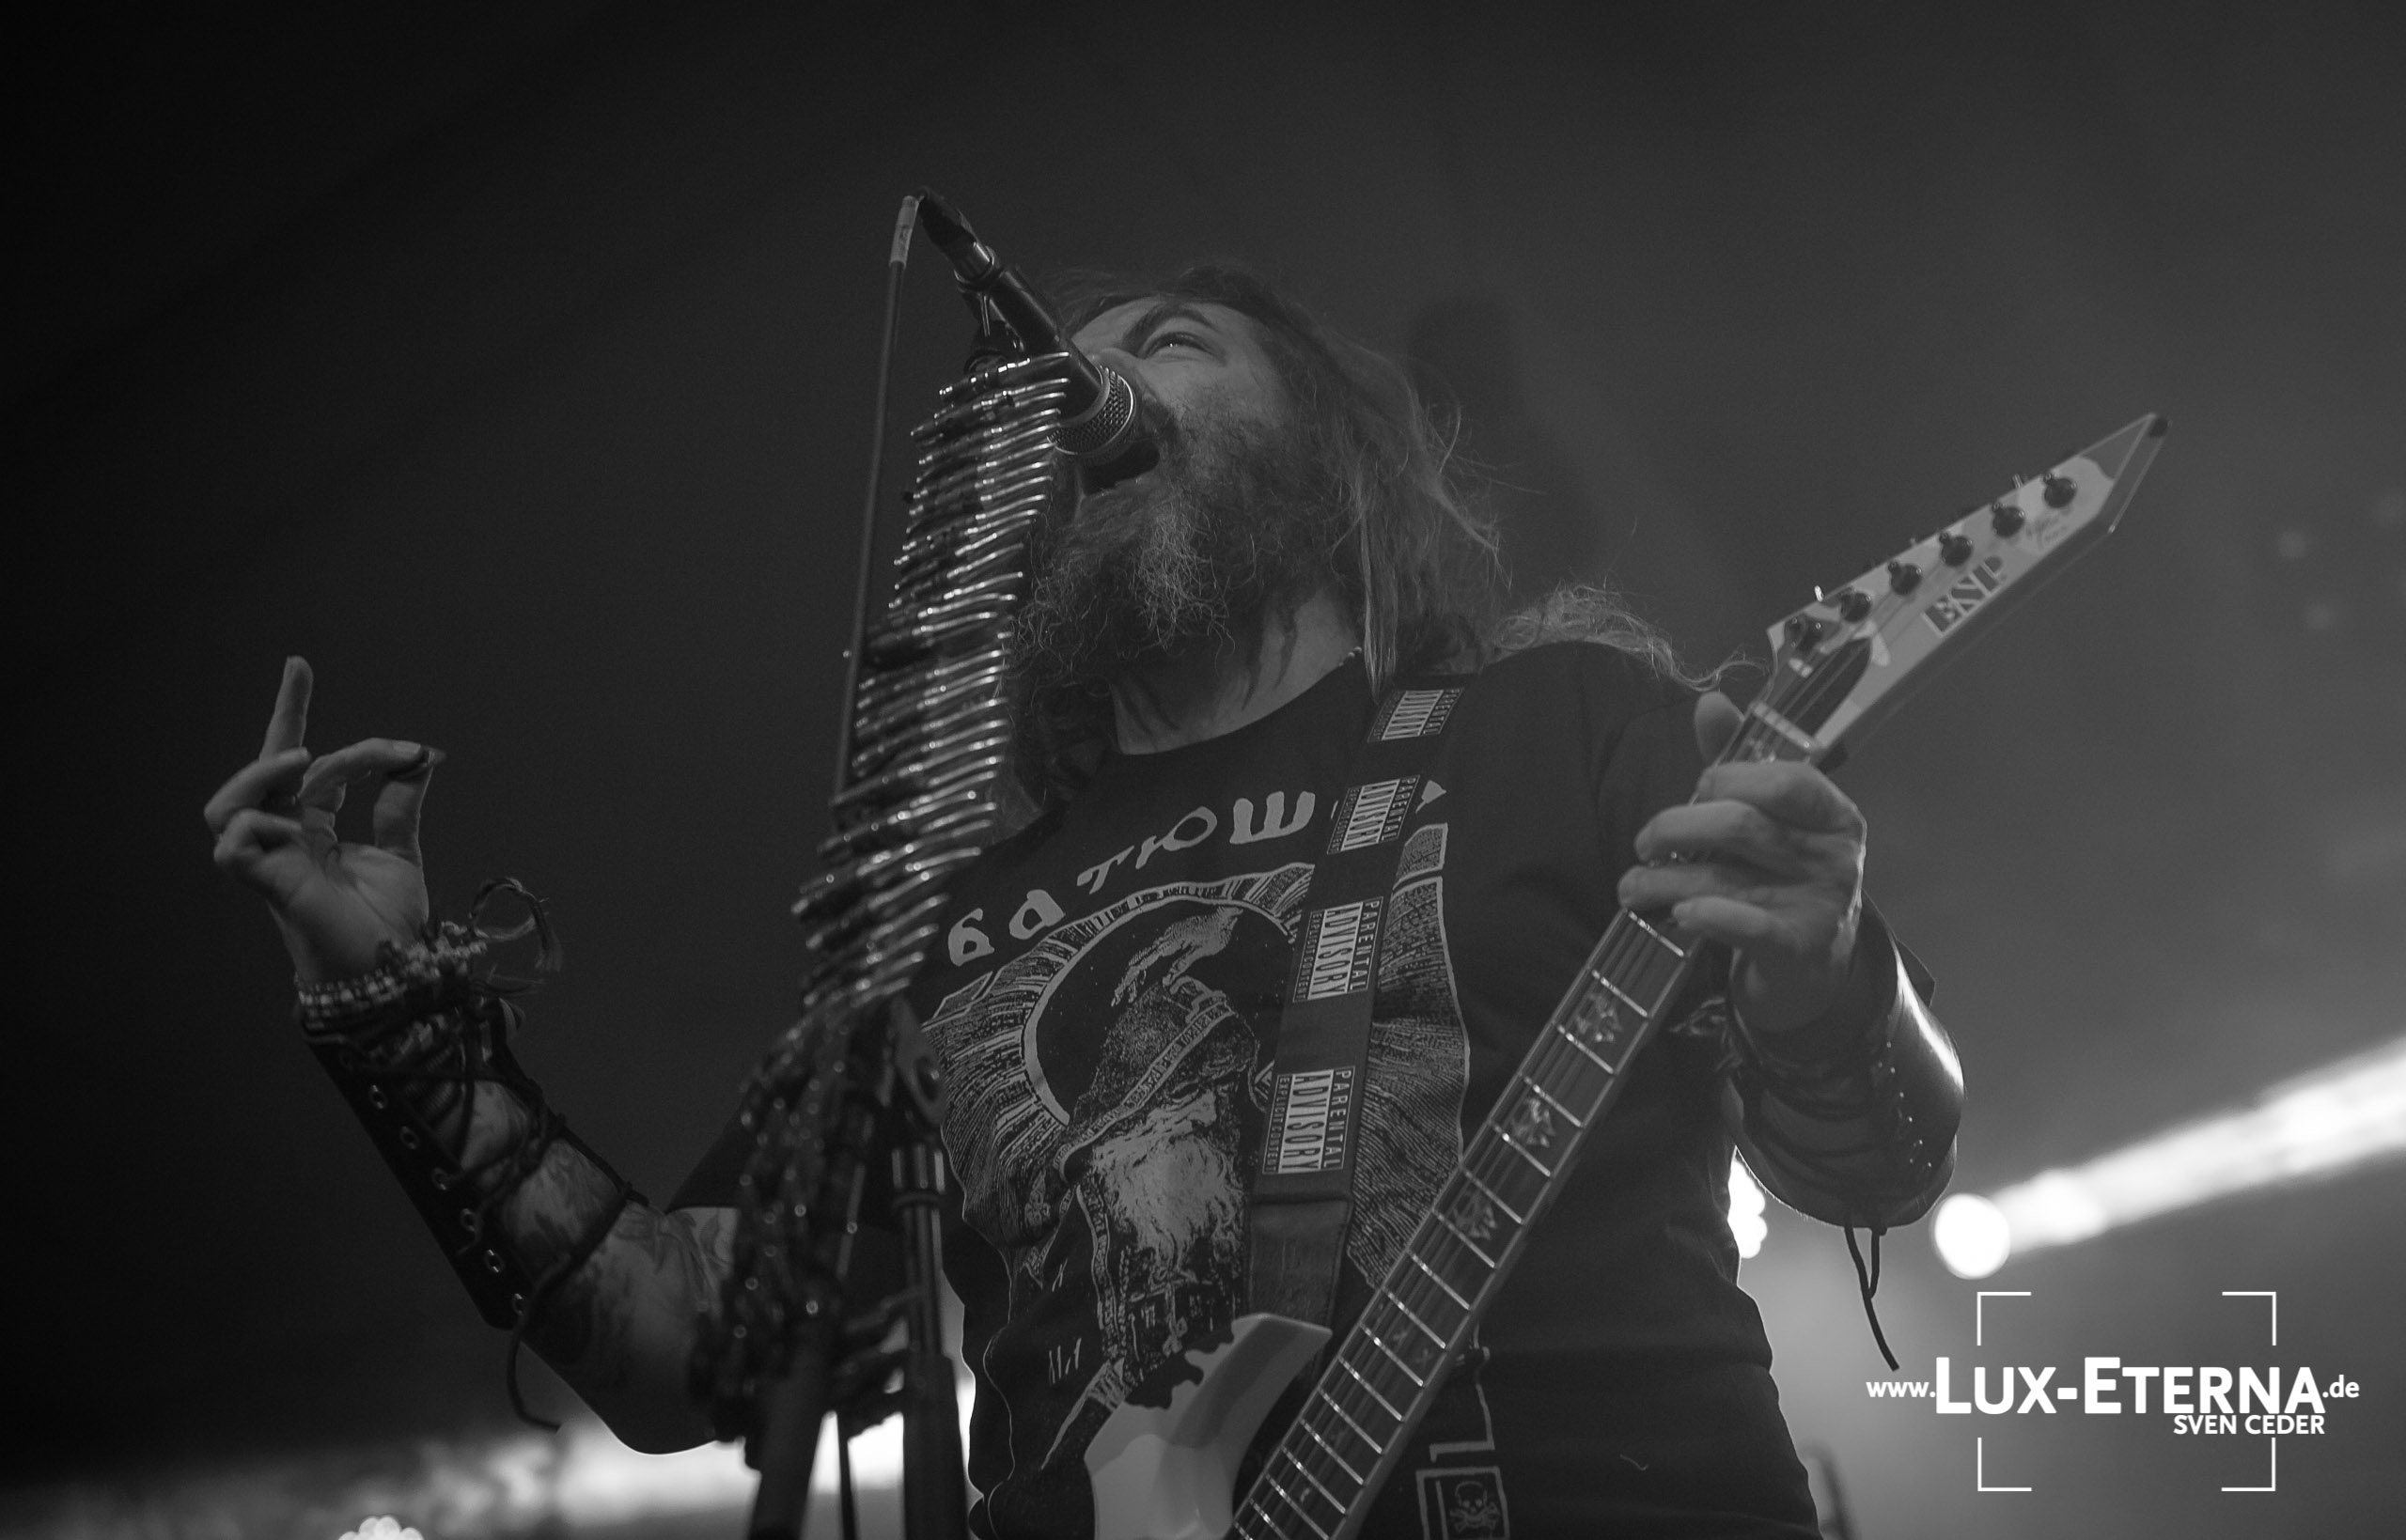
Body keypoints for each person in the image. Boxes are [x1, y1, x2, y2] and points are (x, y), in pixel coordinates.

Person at [208, 265, 1961, 1539]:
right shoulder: (946, 926)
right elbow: (684, 1346)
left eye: (1171, 345)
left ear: (1330, 456)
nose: (1085, 384)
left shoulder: (1559, 720)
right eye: (1061, 377)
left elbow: (1882, 1162)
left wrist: (1827, 976)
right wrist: (403, 1026)